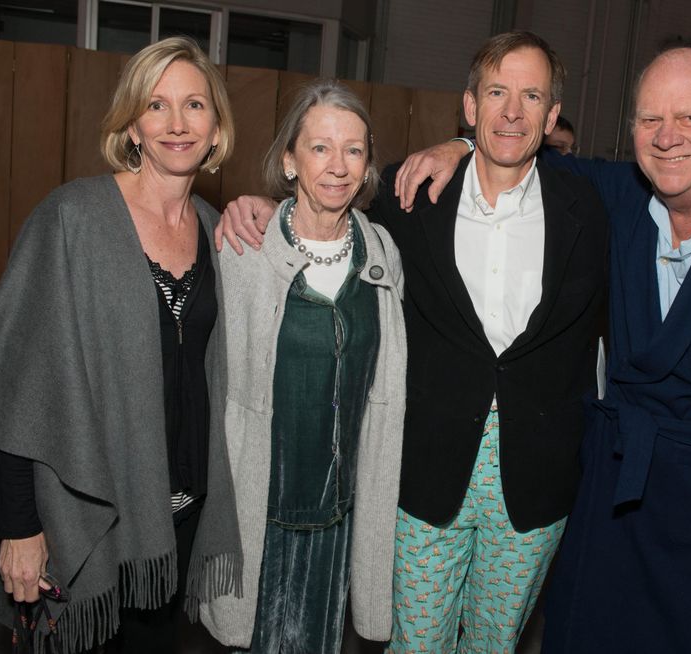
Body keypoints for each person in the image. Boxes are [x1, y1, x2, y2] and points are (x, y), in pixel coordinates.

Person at [395, 45, 691, 653]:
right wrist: (460, 146)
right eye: (650, 119)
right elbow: (518, 151)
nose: (666, 137)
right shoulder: (623, 201)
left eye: (689, 118)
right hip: (610, 501)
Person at [215, 31, 609, 653]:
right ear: (470, 106)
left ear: (552, 114)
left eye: (531, 96)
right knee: (415, 644)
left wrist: (459, 144)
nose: (512, 111)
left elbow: (669, 168)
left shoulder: (588, 204)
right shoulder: (412, 193)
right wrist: (259, 207)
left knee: (496, 644)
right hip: (425, 470)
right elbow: (326, 208)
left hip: (535, 478)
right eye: (496, 93)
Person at [0, 37, 241, 653]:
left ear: (216, 129)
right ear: (132, 125)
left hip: (179, 517)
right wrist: (20, 528)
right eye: (156, 105)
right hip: (87, 514)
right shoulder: (72, 218)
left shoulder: (219, 233)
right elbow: (21, 388)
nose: (177, 124)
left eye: (194, 105)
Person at [195, 80, 407, 653]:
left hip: (341, 517)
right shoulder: (243, 250)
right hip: (258, 513)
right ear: (289, 160)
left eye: (354, 150)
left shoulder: (382, 254)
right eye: (320, 147)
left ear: (367, 166)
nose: (338, 165)